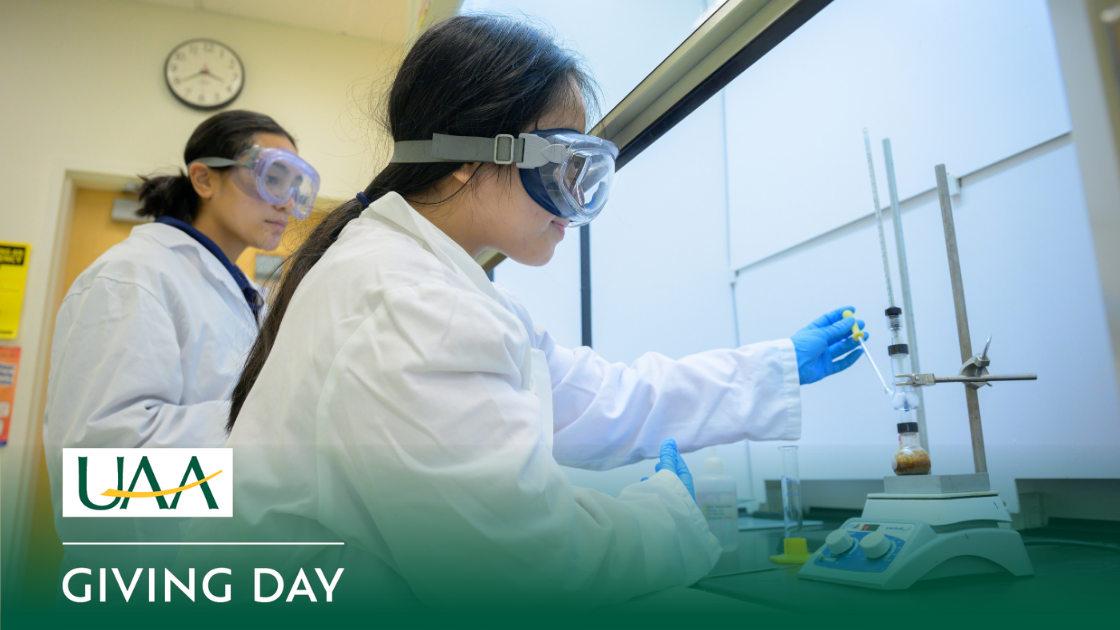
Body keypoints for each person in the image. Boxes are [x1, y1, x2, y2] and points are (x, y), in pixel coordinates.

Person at [207, 17, 866, 610]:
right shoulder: (410, 301)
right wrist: (669, 519)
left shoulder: (431, 283)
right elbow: (517, 569)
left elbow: (602, 399)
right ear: (469, 158)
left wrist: (774, 368)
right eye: (563, 161)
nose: (575, 195)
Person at [43, 110, 319, 562]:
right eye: (273, 177)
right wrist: (273, 424)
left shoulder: (247, 297)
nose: (287, 202)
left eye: (295, 187)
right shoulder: (131, 277)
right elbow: (103, 467)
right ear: (204, 179)